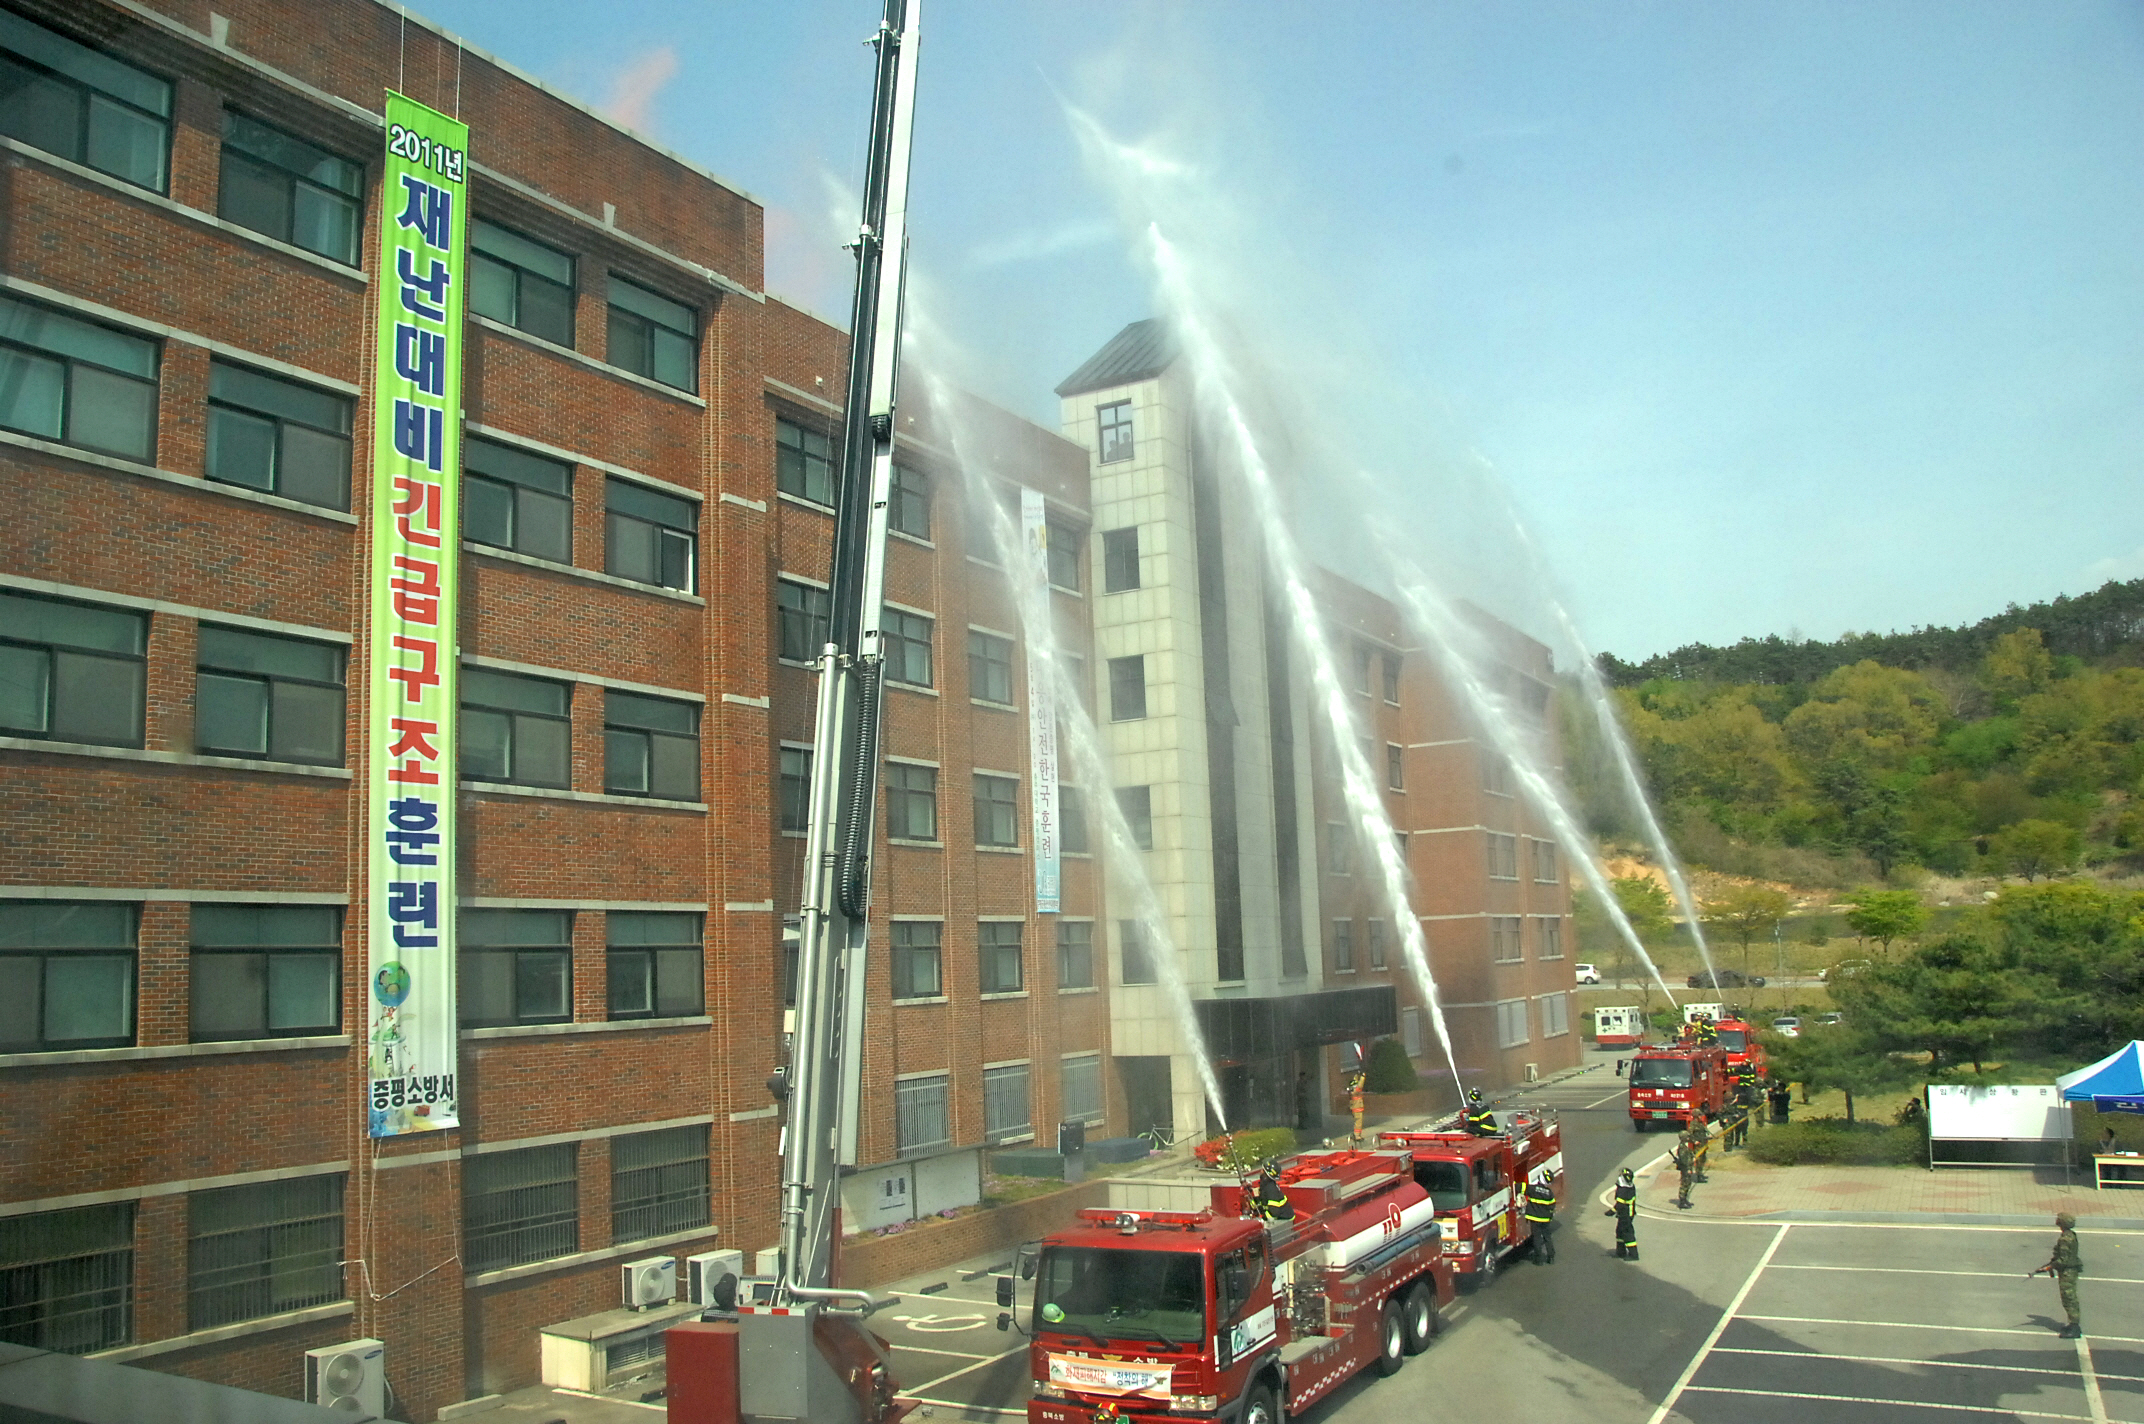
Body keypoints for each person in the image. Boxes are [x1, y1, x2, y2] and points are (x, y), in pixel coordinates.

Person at [2035, 1211, 2084, 1338]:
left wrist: (2049, 1267)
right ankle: (2072, 1323)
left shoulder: (2065, 1239)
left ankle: (2074, 1326)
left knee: (2069, 1298)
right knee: (2069, 1298)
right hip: (2069, 1270)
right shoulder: (2070, 1235)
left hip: (2068, 1272)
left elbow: (2064, 1260)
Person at [1522, 1170, 1558, 1264]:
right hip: (1545, 1220)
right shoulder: (1549, 1193)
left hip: (1535, 1219)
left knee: (1537, 1238)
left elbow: (1520, 1187)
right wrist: (1549, 1216)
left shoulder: (1532, 1189)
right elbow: (1552, 1206)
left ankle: (1539, 1260)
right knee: (1547, 1237)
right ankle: (1551, 1257)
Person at [1608, 1167, 1639, 1258]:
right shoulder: (1629, 1187)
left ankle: (1634, 1254)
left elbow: (1620, 1204)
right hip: (1625, 1214)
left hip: (1626, 1215)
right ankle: (1620, 1252)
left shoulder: (1623, 1190)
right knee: (1620, 1232)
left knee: (1627, 1233)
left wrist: (1611, 1212)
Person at [1673, 1137, 1696, 1209]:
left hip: (1687, 1168)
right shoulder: (1682, 1148)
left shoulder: (1684, 1146)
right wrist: (1688, 1169)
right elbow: (1684, 1160)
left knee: (1688, 1183)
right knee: (1684, 1184)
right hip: (1685, 1169)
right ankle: (1682, 1201)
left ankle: (1685, 1199)